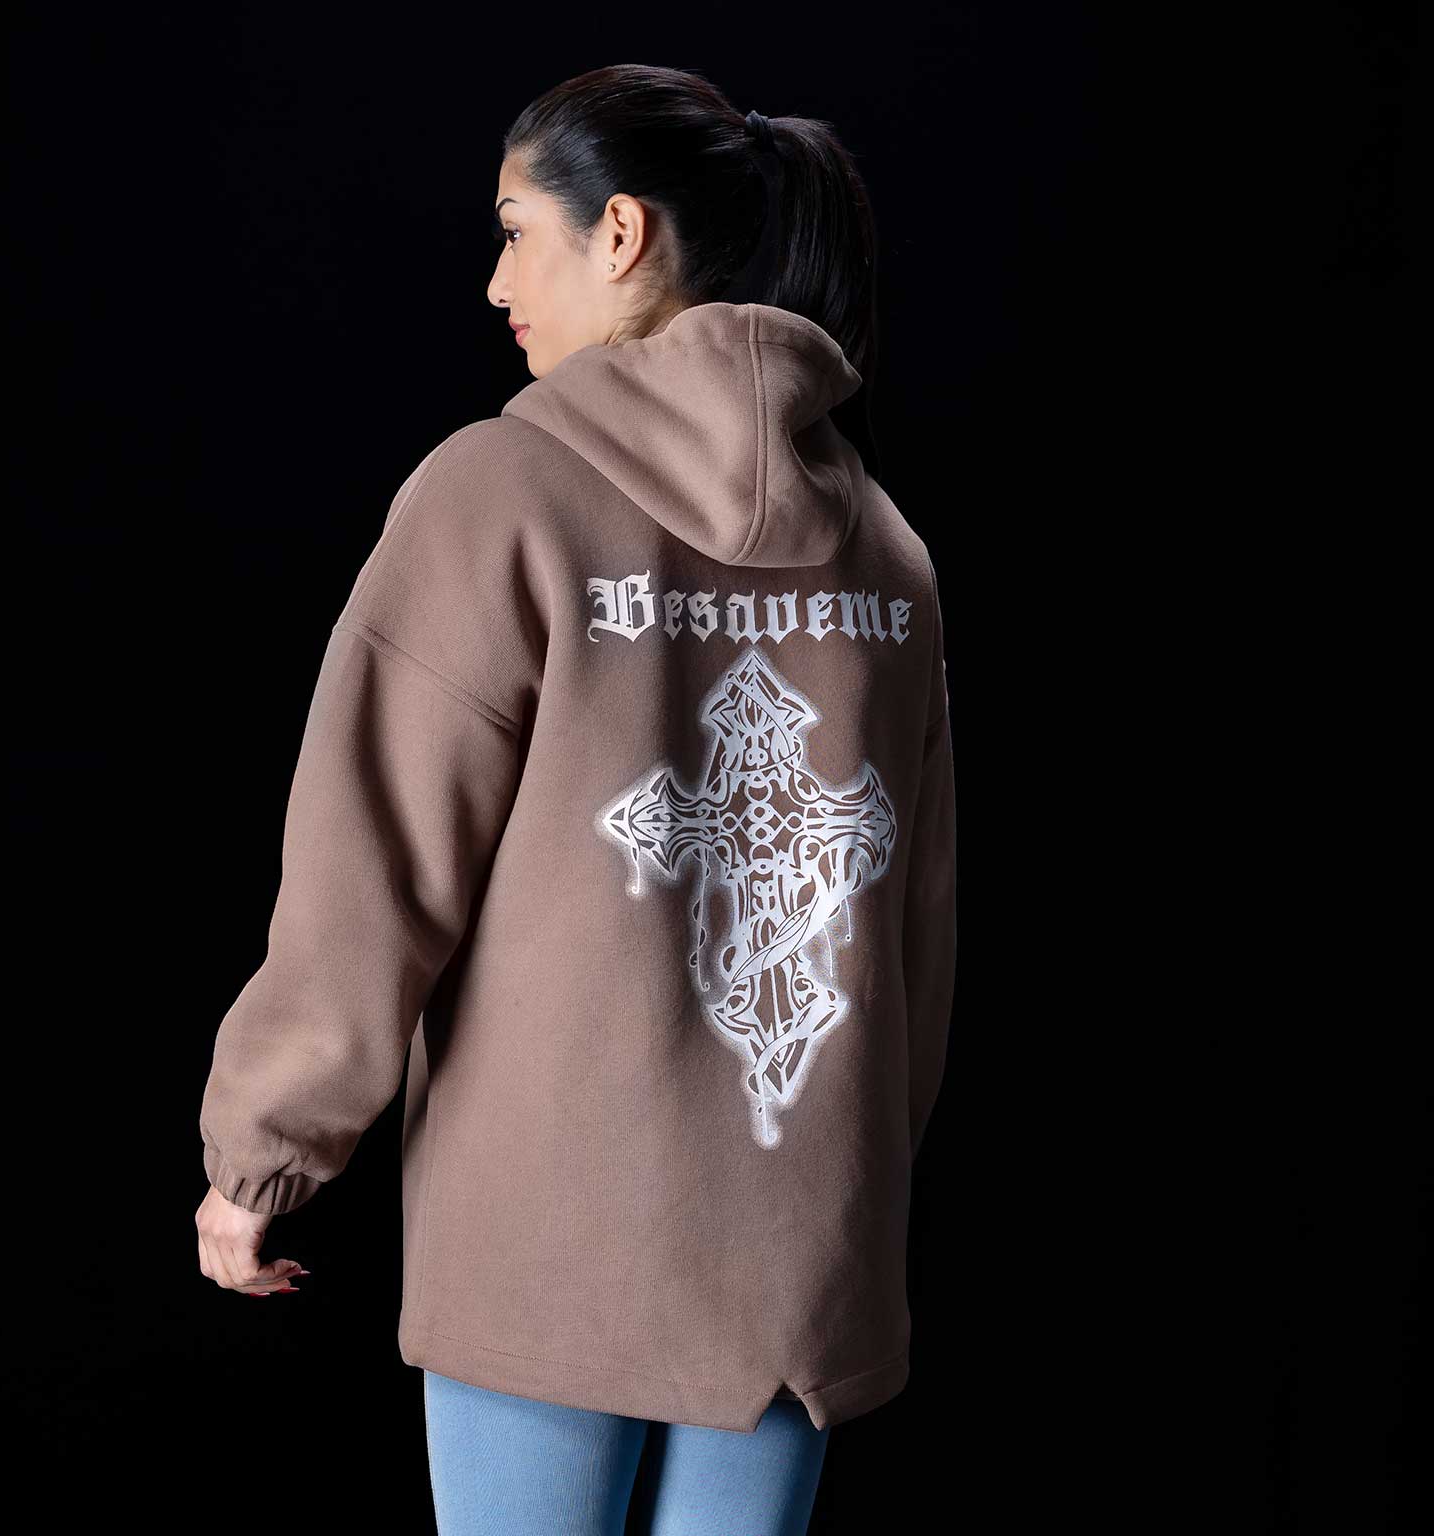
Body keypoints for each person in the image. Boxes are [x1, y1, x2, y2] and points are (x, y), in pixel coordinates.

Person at [195, 63, 957, 1536]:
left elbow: (377, 862)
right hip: (802, 1252)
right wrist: (856, 1180)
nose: (495, 284)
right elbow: (914, 925)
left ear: (619, 233)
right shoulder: (885, 548)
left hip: (549, 1240)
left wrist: (264, 1157)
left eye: (512, 231)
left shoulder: (501, 494)